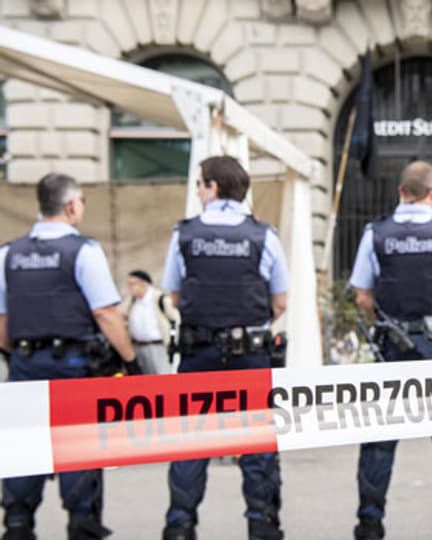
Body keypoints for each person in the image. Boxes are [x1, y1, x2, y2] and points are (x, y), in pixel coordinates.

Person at [348, 160, 432, 540]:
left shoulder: (376, 233)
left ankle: (370, 525)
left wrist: (387, 318)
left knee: (379, 441)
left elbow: (362, 295)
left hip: (391, 346)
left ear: (401, 192)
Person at [0, 172, 139, 540]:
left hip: (25, 365)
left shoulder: (9, 253)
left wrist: (17, 353)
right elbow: (106, 313)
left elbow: (1, 318)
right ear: (72, 205)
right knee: (77, 443)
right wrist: (130, 359)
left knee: (24, 443)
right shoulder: (83, 251)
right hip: (75, 367)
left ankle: (17, 520)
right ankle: (81, 521)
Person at [160, 156, 288, 540]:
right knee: (258, 443)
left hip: (198, 353)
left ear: (214, 186)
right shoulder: (264, 235)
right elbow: (281, 302)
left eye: (200, 184)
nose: (198, 191)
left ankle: (181, 526)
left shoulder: (183, 234)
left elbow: (174, 295)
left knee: (191, 441)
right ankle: (262, 525)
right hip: (250, 354)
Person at [124, 269, 179, 374]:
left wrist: (173, 342)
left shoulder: (160, 299)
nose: (130, 288)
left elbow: (175, 320)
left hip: (159, 346)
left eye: (132, 284)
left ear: (143, 283)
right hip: (139, 347)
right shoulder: (131, 302)